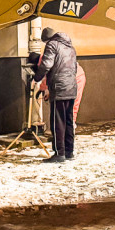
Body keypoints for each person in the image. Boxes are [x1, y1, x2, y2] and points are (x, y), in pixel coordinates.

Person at [33, 28, 78, 162]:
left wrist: (36, 77)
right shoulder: (70, 46)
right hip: (71, 87)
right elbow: (74, 67)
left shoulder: (52, 45)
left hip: (59, 88)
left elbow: (47, 64)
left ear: (47, 39)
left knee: (57, 122)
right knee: (68, 121)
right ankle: (69, 152)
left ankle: (59, 153)